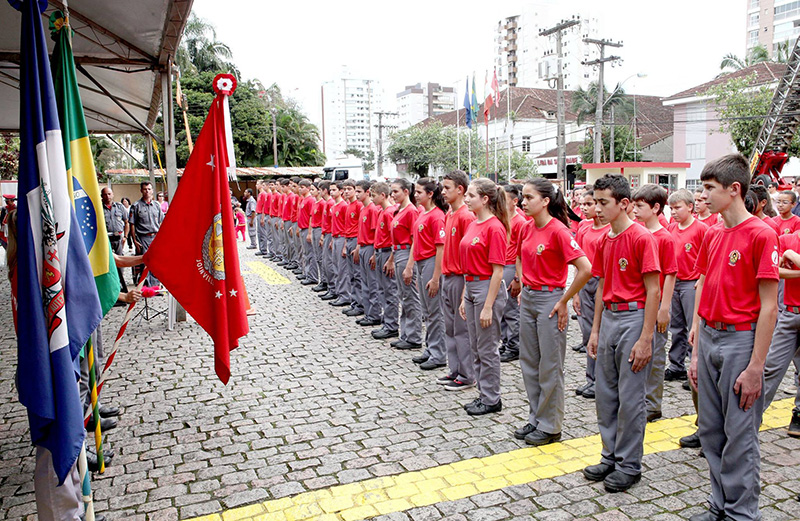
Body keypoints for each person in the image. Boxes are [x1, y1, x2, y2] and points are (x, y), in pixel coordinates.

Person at [687, 153, 779, 521]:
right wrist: (695, 352)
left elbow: (770, 307)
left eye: (709, 188)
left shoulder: (761, 233)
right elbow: (703, 283)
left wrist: (757, 366)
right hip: (709, 336)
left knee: (739, 434)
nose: (703, 195)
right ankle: (719, 505)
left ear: (734, 189)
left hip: (741, 341)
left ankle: (741, 513)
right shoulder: (712, 232)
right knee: (711, 429)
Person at [583, 173, 660, 493]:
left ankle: (630, 464)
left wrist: (645, 339)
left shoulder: (642, 238)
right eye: (595, 202)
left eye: (604, 203)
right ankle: (610, 455)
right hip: (611, 319)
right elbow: (602, 285)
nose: (597, 209)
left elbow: (653, 290)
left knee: (630, 398)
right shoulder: (604, 239)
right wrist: (595, 330)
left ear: (624, 204)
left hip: (634, 318)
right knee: (606, 394)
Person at [510, 178, 591, 445]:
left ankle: (551, 425)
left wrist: (564, 300)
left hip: (550, 300)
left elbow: (585, 268)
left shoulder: (558, 231)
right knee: (530, 363)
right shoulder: (526, 227)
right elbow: (519, 256)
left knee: (550, 365)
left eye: (529, 197)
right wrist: (522, 282)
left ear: (545, 201)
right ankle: (536, 417)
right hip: (530, 298)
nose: (524, 202)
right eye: (523, 196)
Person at [459, 179, 509, 416]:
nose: (466, 199)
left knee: (487, 347)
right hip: (471, 287)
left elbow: (498, 270)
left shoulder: (494, 227)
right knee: (476, 346)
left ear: (485, 199)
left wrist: (488, 306)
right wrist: (463, 296)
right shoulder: (473, 224)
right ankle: (483, 393)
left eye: (470, 195)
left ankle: (491, 398)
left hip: (486, 288)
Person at [633, 184, 678, 424]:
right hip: (639, 303)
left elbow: (670, 274)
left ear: (656, 207)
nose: (635, 211)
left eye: (640, 206)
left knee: (656, 354)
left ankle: (653, 404)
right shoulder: (637, 233)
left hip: (656, 303)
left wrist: (664, 307)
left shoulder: (665, 238)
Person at [403, 178, 448, 369]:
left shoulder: (437, 216)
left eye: (420, 192)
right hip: (421, 263)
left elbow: (440, 248)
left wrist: (436, 277)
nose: (416, 195)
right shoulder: (423, 213)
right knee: (427, 310)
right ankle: (431, 348)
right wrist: (410, 265)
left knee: (434, 310)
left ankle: (438, 353)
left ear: (430, 194)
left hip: (431, 263)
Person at [438, 170, 476, 390]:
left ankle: (467, 373)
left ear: (460, 189)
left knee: (462, 330)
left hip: (460, 278)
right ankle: (455, 370)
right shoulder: (450, 214)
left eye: (447, 188)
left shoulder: (465, 216)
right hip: (448, 276)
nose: (443, 192)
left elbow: (469, 252)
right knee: (450, 328)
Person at [762, 225, 800, 438]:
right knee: (771, 367)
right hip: (789, 313)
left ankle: (799, 413)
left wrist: (791, 256)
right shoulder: (787, 239)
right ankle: (753, 415)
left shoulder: (788, 247)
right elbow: (773, 270)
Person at [572, 189, 609, 399]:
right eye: (583, 204)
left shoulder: (608, 230)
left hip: (602, 282)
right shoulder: (584, 228)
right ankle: (591, 378)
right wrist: (576, 292)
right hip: (585, 282)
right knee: (587, 332)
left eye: (589, 204)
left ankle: (600, 380)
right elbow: (580, 261)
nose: (585, 208)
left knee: (600, 332)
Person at [388, 179, 424, 350]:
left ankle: (414, 336)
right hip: (398, 252)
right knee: (403, 296)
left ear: (405, 192)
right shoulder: (399, 210)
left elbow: (414, 240)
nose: (393, 195)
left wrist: (410, 266)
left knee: (410, 297)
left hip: (406, 253)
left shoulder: (411, 211)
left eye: (396, 191)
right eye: (392, 192)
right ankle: (406, 333)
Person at [499, 184, 527, 363]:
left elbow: (522, 254)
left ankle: (514, 345)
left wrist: (518, 278)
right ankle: (506, 340)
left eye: (504, 200)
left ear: (515, 201)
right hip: (502, 265)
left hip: (511, 266)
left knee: (511, 310)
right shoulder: (502, 219)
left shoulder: (520, 222)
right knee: (501, 308)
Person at [369, 182, 400, 340]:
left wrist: (391, 259)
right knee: (382, 289)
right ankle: (387, 322)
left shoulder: (389, 213)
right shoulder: (382, 211)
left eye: (374, 196)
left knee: (389, 291)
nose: (372, 199)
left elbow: (394, 238)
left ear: (382, 195)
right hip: (381, 252)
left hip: (388, 253)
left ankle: (392, 325)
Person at [354, 180, 382, 327]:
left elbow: (376, 232)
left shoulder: (372, 209)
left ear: (367, 193)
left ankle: (375, 314)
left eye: (359, 191)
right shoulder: (363, 209)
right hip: (364, 246)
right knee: (364, 282)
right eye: (356, 191)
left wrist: (375, 252)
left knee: (372, 283)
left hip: (371, 247)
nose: (356, 194)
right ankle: (368, 312)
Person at [128, 181, 163, 286]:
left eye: (149, 189)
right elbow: (132, 224)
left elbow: (161, 222)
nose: (147, 191)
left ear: (152, 191)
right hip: (143, 237)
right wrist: (134, 240)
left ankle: (156, 285)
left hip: (156, 237)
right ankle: (147, 285)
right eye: (145, 189)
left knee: (157, 261)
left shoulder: (156, 205)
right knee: (146, 261)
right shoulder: (136, 206)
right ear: (141, 191)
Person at [341, 179, 364, 316]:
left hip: (356, 240)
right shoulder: (349, 205)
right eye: (345, 189)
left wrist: (359, 245)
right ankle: (354, 302)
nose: (347, 191)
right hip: (349, 239)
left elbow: (362, 227)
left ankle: (360, 304)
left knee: (357, 275)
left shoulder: (358, 205)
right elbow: (347, 227)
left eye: (350, 188)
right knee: (351, 275)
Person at [101, 186, 128, 293]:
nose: (107, 196)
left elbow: (126, 222)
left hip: (119, 239)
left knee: (120, 263)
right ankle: (110, 288)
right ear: (102, 196)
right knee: (108, 264)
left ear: (112, 195)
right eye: (105, 194)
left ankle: (121, 288)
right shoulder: (99, 208)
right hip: (106, 239)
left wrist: (125, 236)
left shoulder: (119, 207)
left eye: (109, 194)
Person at [328, 182, 351, 308]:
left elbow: (346, 225)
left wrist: (345, 244)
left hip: (342, 237)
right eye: (330, 190)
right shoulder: (335, 206)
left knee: (342, 269)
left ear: (340, 191)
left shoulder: (343, 206)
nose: (331, 192)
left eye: (334, 190)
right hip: (335, 237)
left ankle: (345, 295)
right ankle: (339, 292)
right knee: (335, 266)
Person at [296, 179, 316, 284]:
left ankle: (312, 276)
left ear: (308, 188)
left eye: (302, 187)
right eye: (299, 187)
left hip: (306, 229)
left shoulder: (310, 200)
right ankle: (306, 273)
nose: (300, 189)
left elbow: (311, 217)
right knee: (305, 253)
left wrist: (309, 232)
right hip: (302, 228)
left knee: (310, 254)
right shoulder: (303, 199)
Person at [308, 182, 325, 290]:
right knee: (317, 256)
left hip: (319, 229)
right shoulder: (315, 202)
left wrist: (322, 235)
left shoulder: (323, 203)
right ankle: (322, 280)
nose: (311, 192)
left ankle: (325, 280)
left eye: (313, 189)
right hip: (314, 229)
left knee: (322, 257)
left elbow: (325, 220)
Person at [255, 180, 269, 256]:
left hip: (261, 214)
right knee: (259, 232)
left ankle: (264, 249)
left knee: (263, 233)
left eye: (257, 184)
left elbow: (264, 206)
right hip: (258, 213)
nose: (256, 185)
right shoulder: (260, 194)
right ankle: (261, 248)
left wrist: (263, 217)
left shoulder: (264, 194)